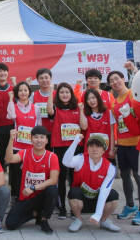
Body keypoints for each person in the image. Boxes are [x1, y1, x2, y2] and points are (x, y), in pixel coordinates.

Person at [4, 126, 59, 234]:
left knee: (52, 190)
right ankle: (35, 214)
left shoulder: (52, 157)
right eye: (36, 137)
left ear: (47, 140)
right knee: (10, 224)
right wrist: (11, 139)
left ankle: (44, 219)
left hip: (41, 196)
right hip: (26, 197)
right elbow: (9, 159)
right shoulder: (25, 153)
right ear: (31, 139)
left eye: (42, 137)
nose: (39, 140)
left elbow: (53, 180)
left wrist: (33, 187)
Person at [108, 70, 140, 225]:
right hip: (122, 145)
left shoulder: (132, 94)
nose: (115, 82)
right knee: (124, 176)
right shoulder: (114, 103)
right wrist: (114, 145)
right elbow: (114, 127)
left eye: (117, 79)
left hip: (136, 143)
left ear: (123, 79)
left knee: (139, 177)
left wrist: (134, 70)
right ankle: (130, 205)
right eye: (111, 80)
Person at [63, 133, 120, 233]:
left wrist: (97, 214)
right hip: (81, 200)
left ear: (103, 150)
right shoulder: (81, 158)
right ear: (87, 148)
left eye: (98, 146)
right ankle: (78, 219)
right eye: (91, 146)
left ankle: (104, 220)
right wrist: (75, 141)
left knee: (114, 196)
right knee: (73, 192)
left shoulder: (110, 167)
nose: (94, 149)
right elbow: (66, 162)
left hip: (98, 200)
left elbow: (104, 191)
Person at [47, 82, 86, 219]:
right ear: (58, 95)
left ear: (71, 94)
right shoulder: (56, 108)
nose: (64, 94)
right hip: (59, 147)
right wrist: (51, 91)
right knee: (62, 178)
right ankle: (62, 207)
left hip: (76, 148)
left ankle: (75, 208)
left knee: (75, 179)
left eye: (67, 92)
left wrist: (81, 110)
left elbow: (83, 126)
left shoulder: (77, 108)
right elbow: (49, 111)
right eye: (62, 92)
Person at [6, 81, 42, 199]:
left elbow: (39, 126)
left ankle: (29, 194)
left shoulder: (36, 108)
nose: (23, 92)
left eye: (25, 90)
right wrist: (11, 98)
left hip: (31, 147)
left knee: (29, 173)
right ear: (17, 93)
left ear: (29, 92)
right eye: (20, 90)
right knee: (16, 173)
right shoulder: (14, 107)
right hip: (17, 146)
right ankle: (15, 195)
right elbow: (10, 115)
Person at [0, 63, 15, 170]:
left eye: (4, 71)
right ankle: (0, 180)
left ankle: (12, 182)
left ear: (7, 73)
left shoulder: (14, 89)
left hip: (12, 128)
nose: (2, 73)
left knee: (12, 156)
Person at [80, 89, 115, 158]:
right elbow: (84, 127)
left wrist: (112, 149)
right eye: (88, 99)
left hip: (105, 149)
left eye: (93, 98)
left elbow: (112, 133)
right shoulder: (85, 114)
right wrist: (81, 110)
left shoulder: (109, 112)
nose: (92, 101)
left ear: (98, 98)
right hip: (90, 151)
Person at [32, 68, 54, 136]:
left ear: (51, 79)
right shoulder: (33, 95)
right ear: (37, 80)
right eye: (41, 78)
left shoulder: (58, 95)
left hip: (54, 131)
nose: (44, 80)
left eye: (46, 78)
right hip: (38, 132)